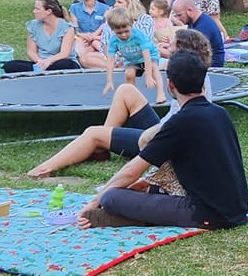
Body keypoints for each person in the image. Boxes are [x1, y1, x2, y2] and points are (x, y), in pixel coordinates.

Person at [78, 50, 248, 230]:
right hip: (237, 207)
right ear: (203, 84)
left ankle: (132, 218)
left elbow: (131, 171)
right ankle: (140, 212)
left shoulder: (179, 122)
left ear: (170, 85)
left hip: (207, 214)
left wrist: (95, 201)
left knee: (111, 197)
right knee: (143, 189)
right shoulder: (220, 113)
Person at [30, 30, 211, 178]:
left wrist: (147, 137)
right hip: (168, 129)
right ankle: (101, 147)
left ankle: (43, 169)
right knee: (126, 90)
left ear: (180, 49)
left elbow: (178, 124)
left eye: (171, 44)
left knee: (93, 132)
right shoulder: (193, 72)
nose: (167, 46)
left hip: (165, 143)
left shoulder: (190, 79)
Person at [103, 6, 165, 106]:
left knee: (154, 69)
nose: (123, 35)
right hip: (132, 60)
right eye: (119, 33)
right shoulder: (113, 41)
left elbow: (147, 56)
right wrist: (109, 81)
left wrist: (148, 76)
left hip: (149, 55)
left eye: (126, 31)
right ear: (112, 30)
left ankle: (160, 93)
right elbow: (110, 61)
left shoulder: (139, 36)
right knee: (129, 74)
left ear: (131, 25)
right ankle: (133, 97)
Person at [5, 0, 81, 74]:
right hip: (41, 63)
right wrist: (40, 62)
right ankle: (42, 72)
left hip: (60, 62)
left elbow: (64, 54)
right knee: (10, 65)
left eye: (37, 9)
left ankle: (39, 73)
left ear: (48, 11)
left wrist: (49, 61)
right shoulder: (33, 25)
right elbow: (31, 51)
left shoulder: (67, 27)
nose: (34, 11)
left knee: (66, 64)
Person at [173, 0, 226, 67]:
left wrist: (166, 52)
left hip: (211, 68)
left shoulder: (203, 27)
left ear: (189, 10)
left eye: (179, 15)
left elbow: (191, 55)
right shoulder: (193, 21)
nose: (178, 19)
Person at [69, 0, 112, 68]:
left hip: (99, 38)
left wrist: (93, 37)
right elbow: (74, 29)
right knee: (79, 47)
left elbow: (107, 30)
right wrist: (83, 36)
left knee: (94, 46)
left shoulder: (105, 8)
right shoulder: (74, 8)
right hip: (82, 38)